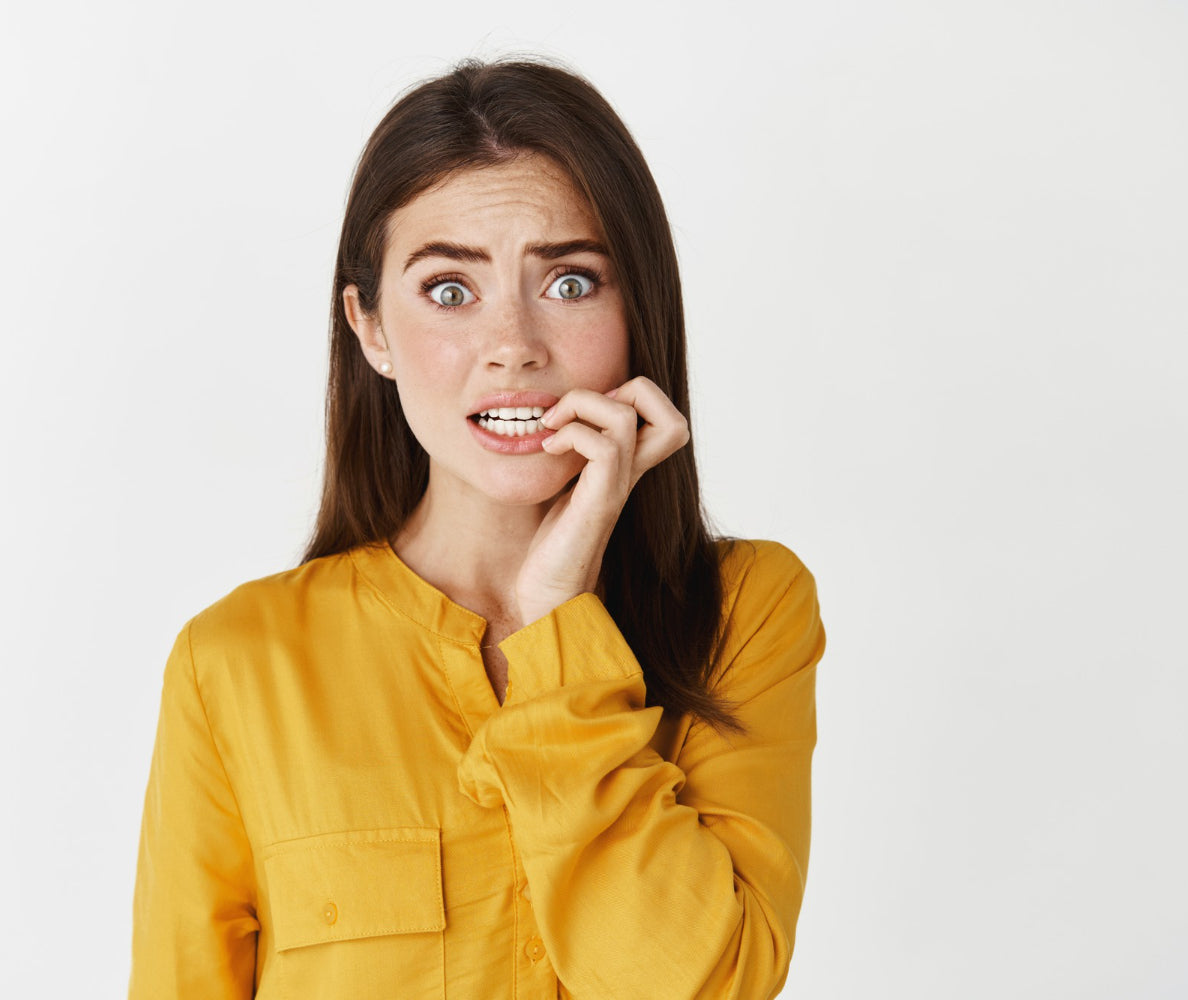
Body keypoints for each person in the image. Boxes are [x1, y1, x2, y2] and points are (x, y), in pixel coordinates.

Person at [128, 57, 826, 1000]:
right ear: (369, 328)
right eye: (450, 291)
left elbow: (703, 986)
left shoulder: (744, 610)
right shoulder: (238, 663)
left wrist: (555, 618)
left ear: (638, 310)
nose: (515, 344)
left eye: (571, 283)